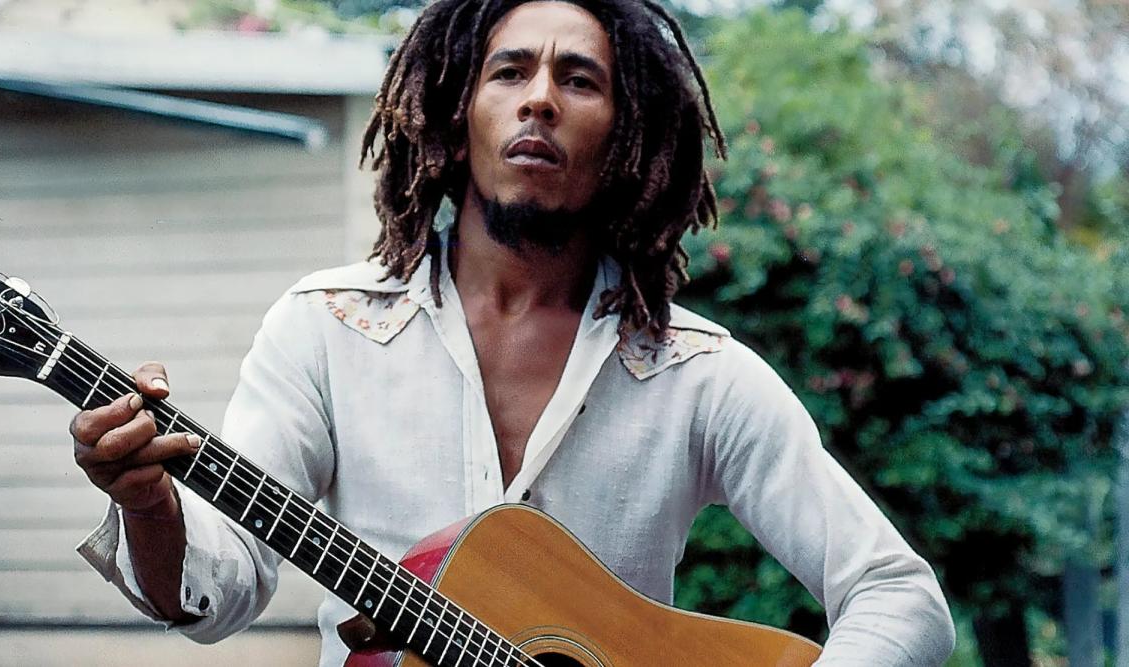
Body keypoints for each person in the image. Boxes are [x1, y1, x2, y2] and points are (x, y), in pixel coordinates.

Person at [70, 0, 956, 664]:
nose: (539, 99)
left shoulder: (695, 374)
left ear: (625, 142)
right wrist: (149, 506)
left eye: (579, 79)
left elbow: (899, 594)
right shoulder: (326, 328)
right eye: (509, 72)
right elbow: (220, 590)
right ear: (457, 124)